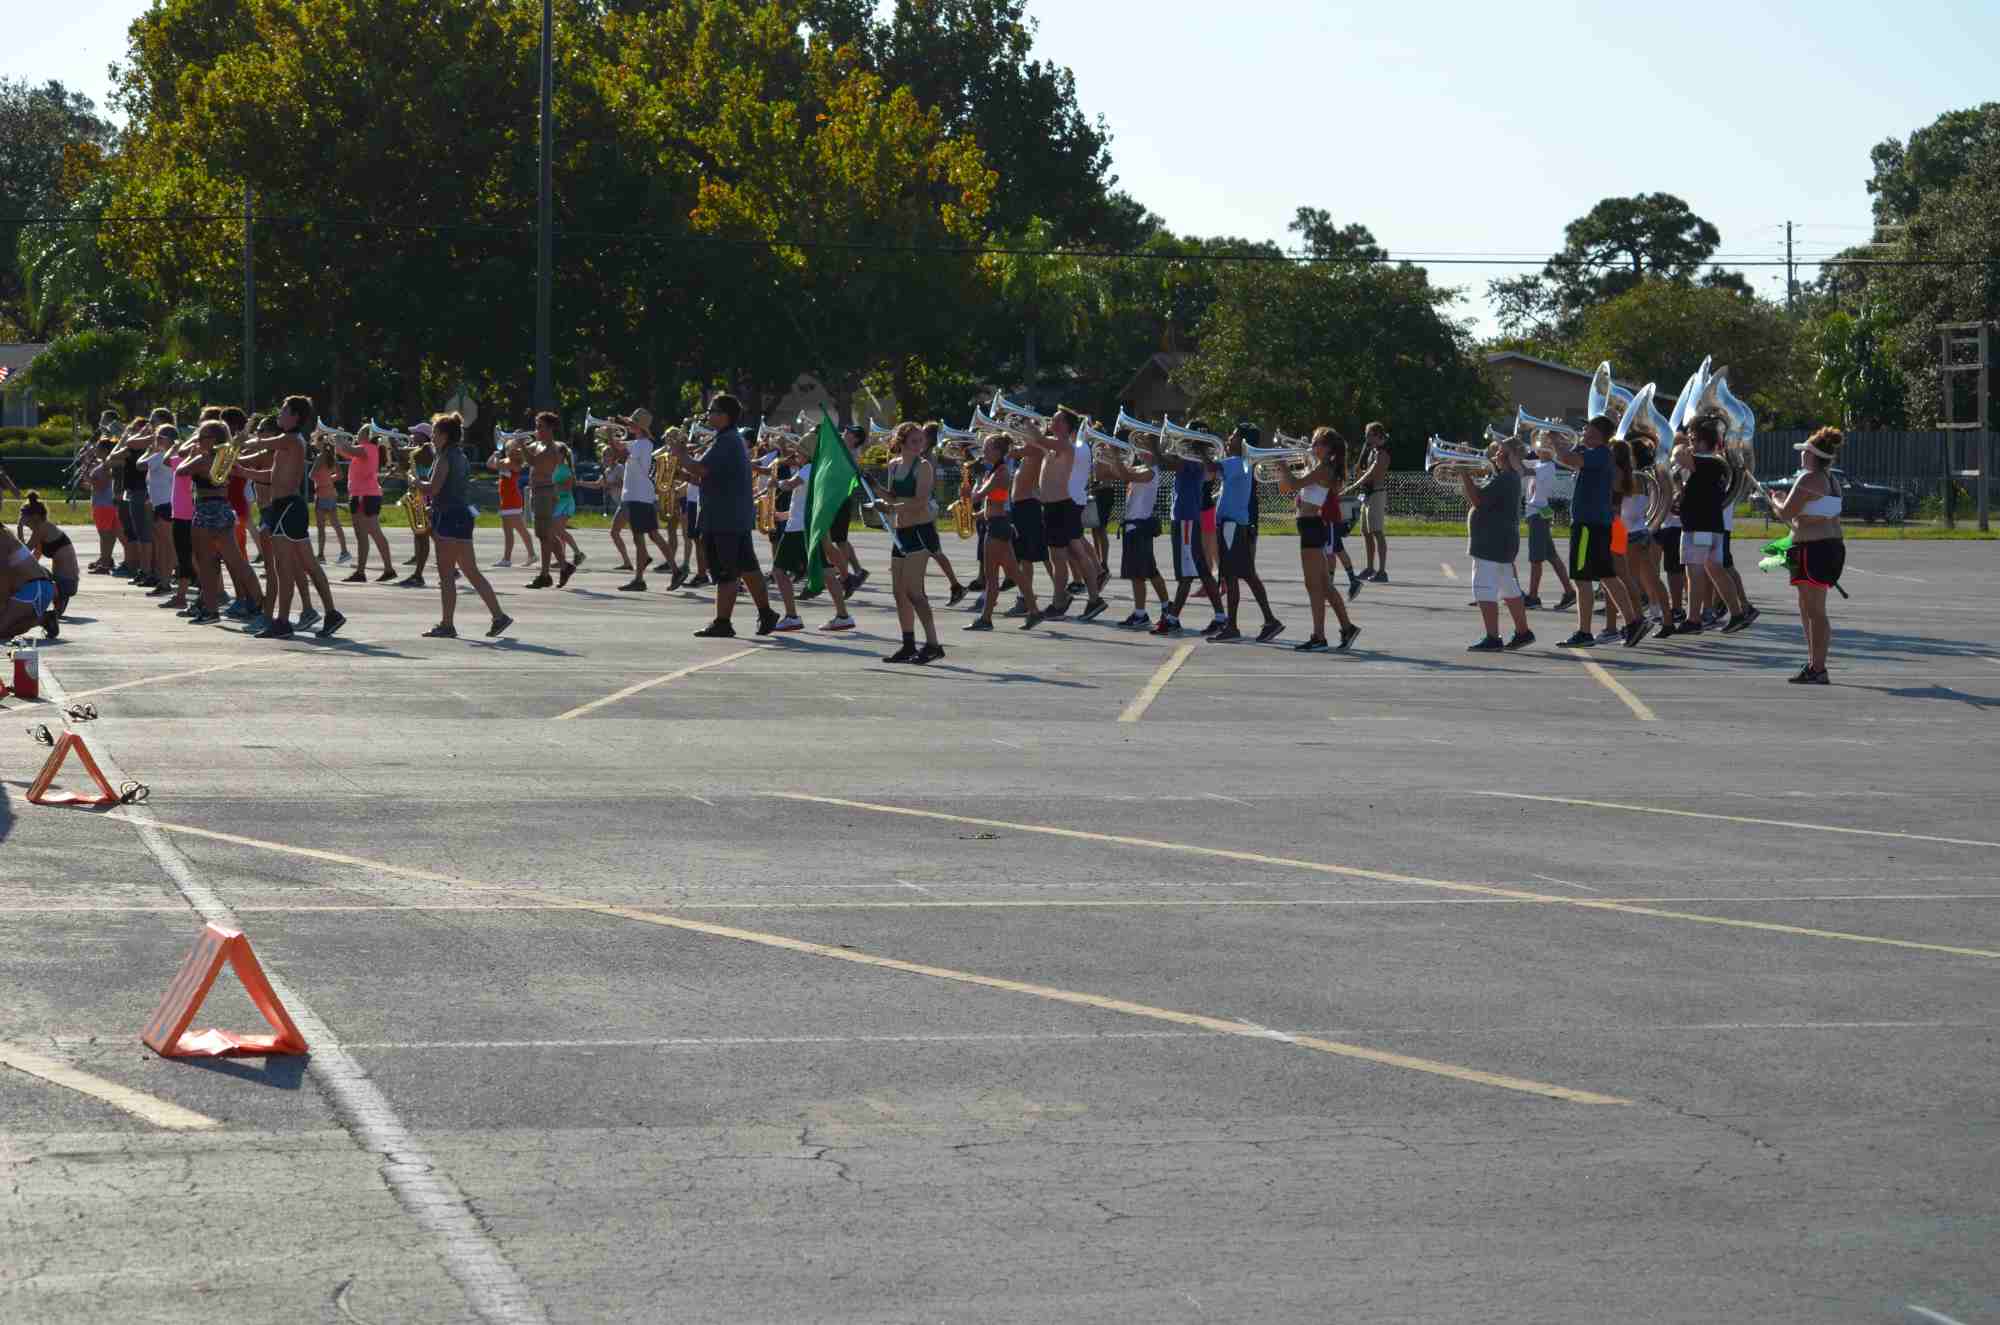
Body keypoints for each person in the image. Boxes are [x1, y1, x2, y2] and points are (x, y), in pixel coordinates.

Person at [665, 395, 779, 638]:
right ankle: (766, 613)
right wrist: (684, 476)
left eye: (712, 410)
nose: (708, 414)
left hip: (725, 517)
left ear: (725, 416)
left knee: (727, 571)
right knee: (748, 567)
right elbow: (707, 477)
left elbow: (700, 468)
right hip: (732, 515)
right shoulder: (727, 439)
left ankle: (723, 622)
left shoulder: (726, 441)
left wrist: (680, 453)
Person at [235, 395, 342, 639]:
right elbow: (272, 476)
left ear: (294, 416)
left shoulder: (290, 439)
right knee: (308, 565)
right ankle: (331, 613)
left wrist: (243, 440)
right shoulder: (287, 443)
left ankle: (282, 622)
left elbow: (259, 443)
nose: (279, 415)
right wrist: (242, 471)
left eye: (283, 411)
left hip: (287, 508)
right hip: (286, 507)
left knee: (284, 568)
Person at [1545, 414, 1645, 648]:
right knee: (1607, 576)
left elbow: (1567, 458)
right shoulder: (1598, 454)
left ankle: (1584, 632)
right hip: (1597, 524)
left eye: (1587, 429)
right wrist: (1559, 442)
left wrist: (1555, 438)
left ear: (1597, 433)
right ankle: (1633, 622)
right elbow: (1568, 459)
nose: (1583, 432)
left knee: (1582, 579)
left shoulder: (1600, 453)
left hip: (1588, 526)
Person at [418, 413, 512, 639]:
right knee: (471, 571)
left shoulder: (444, 457)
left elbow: (433, 488)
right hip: (462, 515)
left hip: (448, 517)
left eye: (435, 433)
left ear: (444, 435)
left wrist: (414, 482)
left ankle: (447, 624)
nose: (432, 437)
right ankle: (499, 616)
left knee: (446, 575)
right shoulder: (460, 456)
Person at [1767, 426, 1846, 684]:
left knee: (1815, 610)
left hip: (1814, 551)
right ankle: (1813, 663)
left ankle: (1818, 668)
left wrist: (1776, 499)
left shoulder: (1808, 479)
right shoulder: (1831, 481)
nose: (1801, 455)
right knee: (1808, 607)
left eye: (1805, 451)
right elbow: (1814, 517)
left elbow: (1786, 512)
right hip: (1828, 547)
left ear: (1813, 456)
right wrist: (1799, 519)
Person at [1278, 427, 1361, 652]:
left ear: (1329, 449)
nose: (1313, 447)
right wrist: (1282, 466)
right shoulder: (1318, 466)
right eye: (1313, 442)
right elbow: (1285, 487)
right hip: (1312, 526)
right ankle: (1347, 628)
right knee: (1323, 585)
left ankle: (1319, 637)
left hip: (1312, 527)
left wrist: (1282, 463)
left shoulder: (1324, 469)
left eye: (1318, 444)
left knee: (1313, 586)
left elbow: (1293, 485)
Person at [872, 423, 947, 664]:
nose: (919, 445)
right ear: (902, 442)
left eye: (921, 441)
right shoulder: (894, 465)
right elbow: (893, 496)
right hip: (900, 532)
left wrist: (891, 508)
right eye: (914, 441)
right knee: (899, 592)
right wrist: (875, 488)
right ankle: (908, 644)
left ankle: (933, 645)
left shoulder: (923, 466)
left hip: (919, 532)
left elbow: (920, 501)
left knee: (914, 592)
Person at [1671, 415, 1751, 636]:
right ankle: (1737, 614)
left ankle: (1693, 619)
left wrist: (1681, 444)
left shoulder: (1707, 462)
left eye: (1693, 439)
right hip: (1713, 525)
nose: (1690, 444)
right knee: (1716, 571)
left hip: (1699, 526)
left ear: (1702, 441)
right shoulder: (1718, 464)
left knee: (1694, 572)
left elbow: (1677, 454)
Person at [1460, 437, 1534, 652]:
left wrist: (1464, 472)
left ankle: (1493, 637)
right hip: (1500, 541)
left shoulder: (1506, 478)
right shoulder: (1508, 477)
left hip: (1491, 543)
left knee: (1483, 588)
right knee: (1509, 587)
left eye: (1501, 451)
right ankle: (1523, 632)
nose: (1496, 454)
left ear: (1511, 456)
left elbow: (1477, 500)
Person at [1210, 424, 1281, 643]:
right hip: (1235, 526)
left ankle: (1233, 627)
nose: (1228, 439)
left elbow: (1209, 468)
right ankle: (1270, 621)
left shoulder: (1237, 462)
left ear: (1242, 442)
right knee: (1248, 575)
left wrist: (1198, 449)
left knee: (1232, 576)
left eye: (1232, 436)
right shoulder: (1242, 463)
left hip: (1232, 527)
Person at [964, 433, 1042, 631]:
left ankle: (986, 619)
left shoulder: (1000, 473)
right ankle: (1034, 612)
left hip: (997, 527)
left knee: (991, 576)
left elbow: (977, 496)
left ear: (998, 451)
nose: (983, 451)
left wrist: (969, 487)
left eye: (987, 448)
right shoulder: (995, 471)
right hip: (999, 524)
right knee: (1015, 573)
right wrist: (978, 515)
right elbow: (994, 501)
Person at [1152, 438, 1225, 636]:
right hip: (1184, 519)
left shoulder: (1193, 460)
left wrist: (1153, 446)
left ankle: (1173, 619)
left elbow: (1167, 463)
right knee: (1200, 571)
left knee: (1187, 575)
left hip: (1186, 520)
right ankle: (1219, 617)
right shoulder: (1191, 458)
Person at [1101, 442, 1169, 629]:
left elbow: (1125, 475)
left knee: (1138, 575)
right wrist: (1107, 457)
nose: (1138, 450)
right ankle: (1166, 607)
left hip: (1138, 528)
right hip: (1135, 528)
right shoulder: (1142, 469)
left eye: (1143, 447)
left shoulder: (1151, 472)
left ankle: (1141, 615)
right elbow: (1111, 473)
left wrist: (1115, 456)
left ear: (1152, 452)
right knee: (1151, 571)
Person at [337, 424, 398, 582]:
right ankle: (361, 572)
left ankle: (388, 569)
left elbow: (348, 449)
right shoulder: (362, 449)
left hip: (366, 495)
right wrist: (337, 440)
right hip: (359, 494)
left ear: (366, 435)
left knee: (373, 532)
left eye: (358, 432)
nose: (356, 435)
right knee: (362, 535)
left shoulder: (368, 448)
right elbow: (342, 451)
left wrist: (340, 437)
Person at [919, 424, 970, 606]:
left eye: (922, 435)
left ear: (929, 438)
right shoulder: (926, 454)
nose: (919, 438)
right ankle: (924, 592)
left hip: (925, 507)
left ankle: (953, 586)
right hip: (922, 507)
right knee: (925, 552)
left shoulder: (926, 457)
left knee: (930, 551)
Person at [1521, 438, 1575, 612]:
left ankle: (1533, 597)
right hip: (1538, 513)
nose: (1539, 448)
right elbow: (1522, 462)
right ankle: (1569, 592)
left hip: (1538, 514)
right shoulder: (1539, 463)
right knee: (1552, 556)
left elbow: (1523, 469)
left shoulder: (1547, 466)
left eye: (1544, 446)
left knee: (1536, 558)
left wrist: (1511, 451)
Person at [16, 494, 79, 636]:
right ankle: (58, 600)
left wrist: (19, 529)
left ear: (35, 517)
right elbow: (32, 558)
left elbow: (24, 552)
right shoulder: (45, 529)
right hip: (67, 582)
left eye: (24, 518)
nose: (23, 521)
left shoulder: (41, 529)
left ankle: (55, 597)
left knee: (30, 577)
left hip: (65, 583)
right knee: (31, 572)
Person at [1344, 422, 1393, 583]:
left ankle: (1382, 571)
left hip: (1377, 494)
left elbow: (1371, 474)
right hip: (1367, 494)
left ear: (1377, 435)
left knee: (1377, 532)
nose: (1366, 438)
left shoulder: (1383, 453)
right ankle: (1370, 568)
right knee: (1366, 532)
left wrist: (1352, 486)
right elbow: (1365, 471)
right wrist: (1359, 468)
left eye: (1369, 435)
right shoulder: (1373, 451)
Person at [0, 522, 57, 641]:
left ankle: (42, 619)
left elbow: (4, 577)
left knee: (1, 630)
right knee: (5, 631)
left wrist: (2, 605)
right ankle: (43, 619)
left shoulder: (2, 538)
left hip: (34, 588)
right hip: (35, 588)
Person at [487, 437, 535, 568]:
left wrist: (497, 458)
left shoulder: (515, 464)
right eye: (508, 448)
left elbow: (497, 465)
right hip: (506, 500)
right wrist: (494, 455)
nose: (507, 450)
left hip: (512, 500)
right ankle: (507, 559)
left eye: (509, 448)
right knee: (508, 532)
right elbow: (489, 464)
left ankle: (532, 554)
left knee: (521, 530)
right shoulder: (506, 461)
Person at [399, 430, 435, 588]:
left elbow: (425, 478)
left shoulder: (425, 452)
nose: (413, 436)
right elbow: (404, 466)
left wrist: (414, 480)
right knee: (426, 536)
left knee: (424, 536)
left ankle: (418, 575)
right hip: (419, 498)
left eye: (416, 434)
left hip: (423, 499)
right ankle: (418, 574)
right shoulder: (421, 453)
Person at [311, 440, 351, 564]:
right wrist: (328, 480)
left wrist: (323, 480)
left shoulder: (320, 458)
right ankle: (344, 552)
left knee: (321, 527)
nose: (315, 444)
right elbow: (340, 475)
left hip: (321, 494)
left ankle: (321, 555)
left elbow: (311, 475)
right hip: (331, 494)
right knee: (336, 525)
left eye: (317, 442)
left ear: (321, 445)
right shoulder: (331, 458)